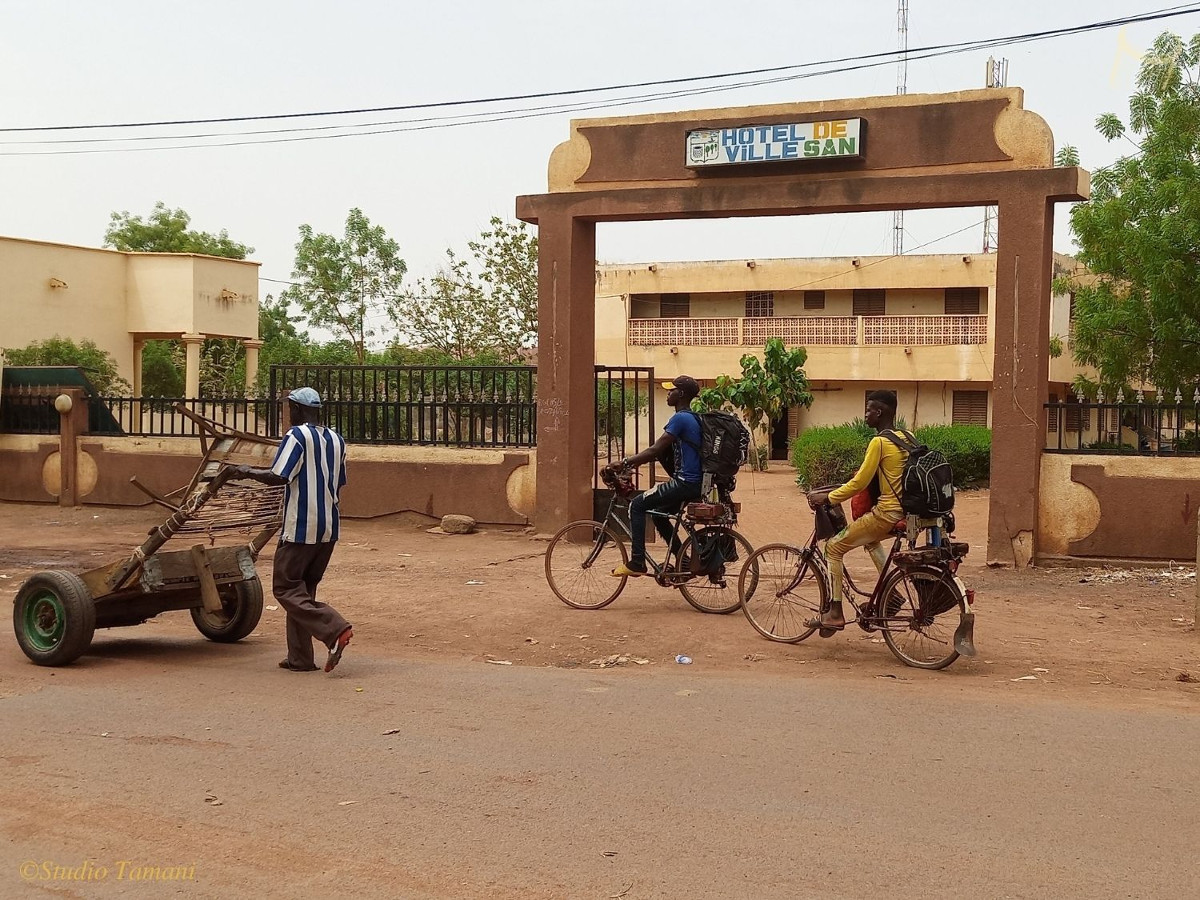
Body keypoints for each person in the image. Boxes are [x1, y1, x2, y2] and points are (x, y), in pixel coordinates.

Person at [223, 387, 354, 672]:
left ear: (296, 409)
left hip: (300, 527)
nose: (288, 412)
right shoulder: (337, 439)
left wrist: (241, 470)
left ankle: (335, 628)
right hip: (328, 528)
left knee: (284, 588)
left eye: (289, 407)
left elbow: (278, 476)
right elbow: (340, 482)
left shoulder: (296, 436)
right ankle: (300, 658)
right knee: (302, 592)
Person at [803, 389, 909, 634]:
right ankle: (891, 595)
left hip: (886, 514)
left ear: (879, 412)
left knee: (833, 547)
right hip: (905, 513)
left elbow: (860, 482)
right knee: (870, 542)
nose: (865, 415)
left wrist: (828, 497)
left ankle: (835, 613)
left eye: (868, 410)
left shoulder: (879, 442)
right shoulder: (906, 437)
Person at [602, 375, 704, 577]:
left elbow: (656, 449)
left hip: (685, 482)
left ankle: (637, 562)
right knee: (659, 514)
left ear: (681, 394)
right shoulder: (693, 418)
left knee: (637, 505)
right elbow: (665, 454)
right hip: (696, 483)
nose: (668, 393)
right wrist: (634, 464)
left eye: (671, 390)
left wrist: (624, 463)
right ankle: (682, 559)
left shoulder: (680, 418)